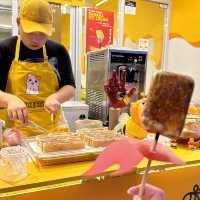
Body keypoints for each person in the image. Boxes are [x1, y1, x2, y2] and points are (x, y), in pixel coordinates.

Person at [0, 0, 75, 136]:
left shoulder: (58, 51)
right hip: (13, 134)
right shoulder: (4, 50)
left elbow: (69, 87)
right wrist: (9, 100)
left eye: (42, 33)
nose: (36, 39)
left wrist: (56, 97)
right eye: (30, 32)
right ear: (18, 22)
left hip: (51, 132)